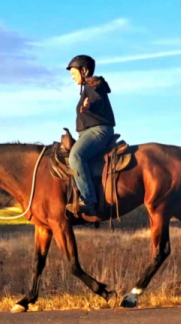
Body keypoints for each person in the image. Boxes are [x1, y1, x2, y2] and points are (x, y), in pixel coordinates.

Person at [65, 55, 116, 216]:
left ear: (83, 70)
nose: (72, 77)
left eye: (74, 73)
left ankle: (89, 200)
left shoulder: (92, 85)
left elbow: (96, 99)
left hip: (98, 131)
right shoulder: (88, 87)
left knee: (76, 156)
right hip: (89, 132)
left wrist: (88, 105)